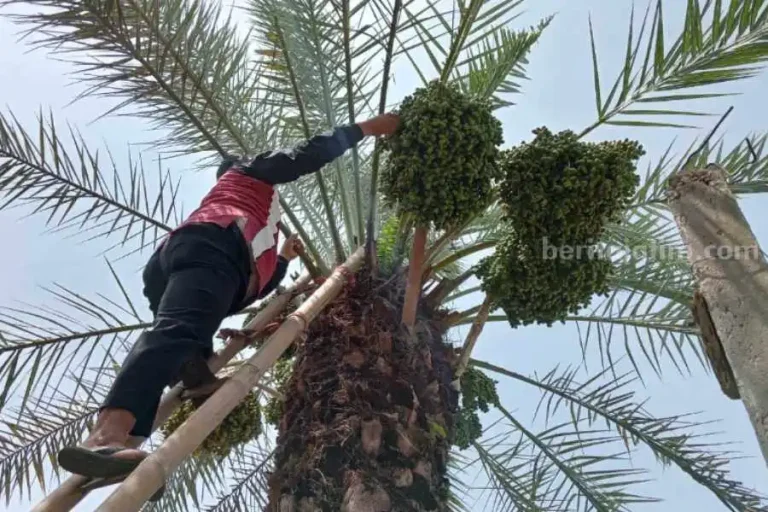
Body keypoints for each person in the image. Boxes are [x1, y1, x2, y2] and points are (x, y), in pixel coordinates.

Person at [57, 113, 401, 481]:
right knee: (177, 331)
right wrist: (365, 129)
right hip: (213, 247)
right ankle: (106, 436)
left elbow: (260, 283)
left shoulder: (259, 219)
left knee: (184, 334)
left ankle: (159, 409)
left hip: (198, 262)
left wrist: (284, 260)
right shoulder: (248, 173)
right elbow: (303, 155)